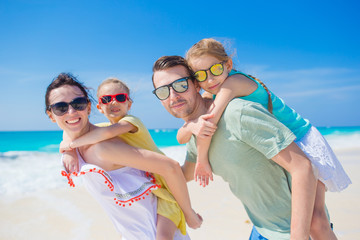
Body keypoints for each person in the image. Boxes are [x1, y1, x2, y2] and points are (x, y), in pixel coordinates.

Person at [177, 38, 352, 239]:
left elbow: (210, 122)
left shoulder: (232, 83)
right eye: (200, 75)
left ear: (228, 65)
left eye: (215, 69)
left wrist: (201, 160)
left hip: (302, 138)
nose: (209, 79)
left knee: (317, 221)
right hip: (287, 140)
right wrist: (191, 125)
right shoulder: (214, 89)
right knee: (315, 220)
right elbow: (182, 136)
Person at [45, 73, 202, 240]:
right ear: (51, 115)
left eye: (78, 104)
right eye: (60, 108)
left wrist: (189, 213)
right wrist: (68, 150)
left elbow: (170, 167)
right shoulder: (80, 141)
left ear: (88, 107)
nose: (71, 111)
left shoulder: (103, 145)